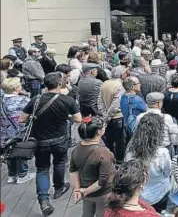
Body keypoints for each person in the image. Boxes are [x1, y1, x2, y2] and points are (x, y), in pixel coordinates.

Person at [19, 72, 82, 216]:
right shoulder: (67, 100)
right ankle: (59, 187)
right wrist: (66, 116)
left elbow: (22, 119)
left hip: (40, 140)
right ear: (60, 84)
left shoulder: (36, 99)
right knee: (59, 163)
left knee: (42, 168)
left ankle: (43, 200)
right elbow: (78, 119)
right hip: (60, 138)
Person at [69, 116, 115, 217]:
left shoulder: (76, 149)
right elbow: (103, 181)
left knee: (86, 213)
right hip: (102, 194)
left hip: (86, 192)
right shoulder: (103, 152)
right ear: (99, 131)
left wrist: (78, 189)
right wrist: (85, 191)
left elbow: (73, 170)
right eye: (103, 127)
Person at [125, 113, 171, 213]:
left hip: (138, 194)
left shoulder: (130, 151)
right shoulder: (162, 153)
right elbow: (168, 172)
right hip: (159, 193)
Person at [1, 77, 34, 184]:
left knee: (8, 151)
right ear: (16, 88)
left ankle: (12, 175)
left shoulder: (1, 100)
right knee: (20, 150)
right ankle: (23, 174)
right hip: (19, 130)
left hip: (4, 131)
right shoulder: (23, 100)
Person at [98, 65, 127, 164]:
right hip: (117, 117)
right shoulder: (120, 86)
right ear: (122, 74)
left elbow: (99, 100)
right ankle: (119, 161)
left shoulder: (104, 83)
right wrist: (108, 116)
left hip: (106, 116)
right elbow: (116, 104)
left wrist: (104, 115)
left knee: (108, 140)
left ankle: (109, 158)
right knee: (120, 142)